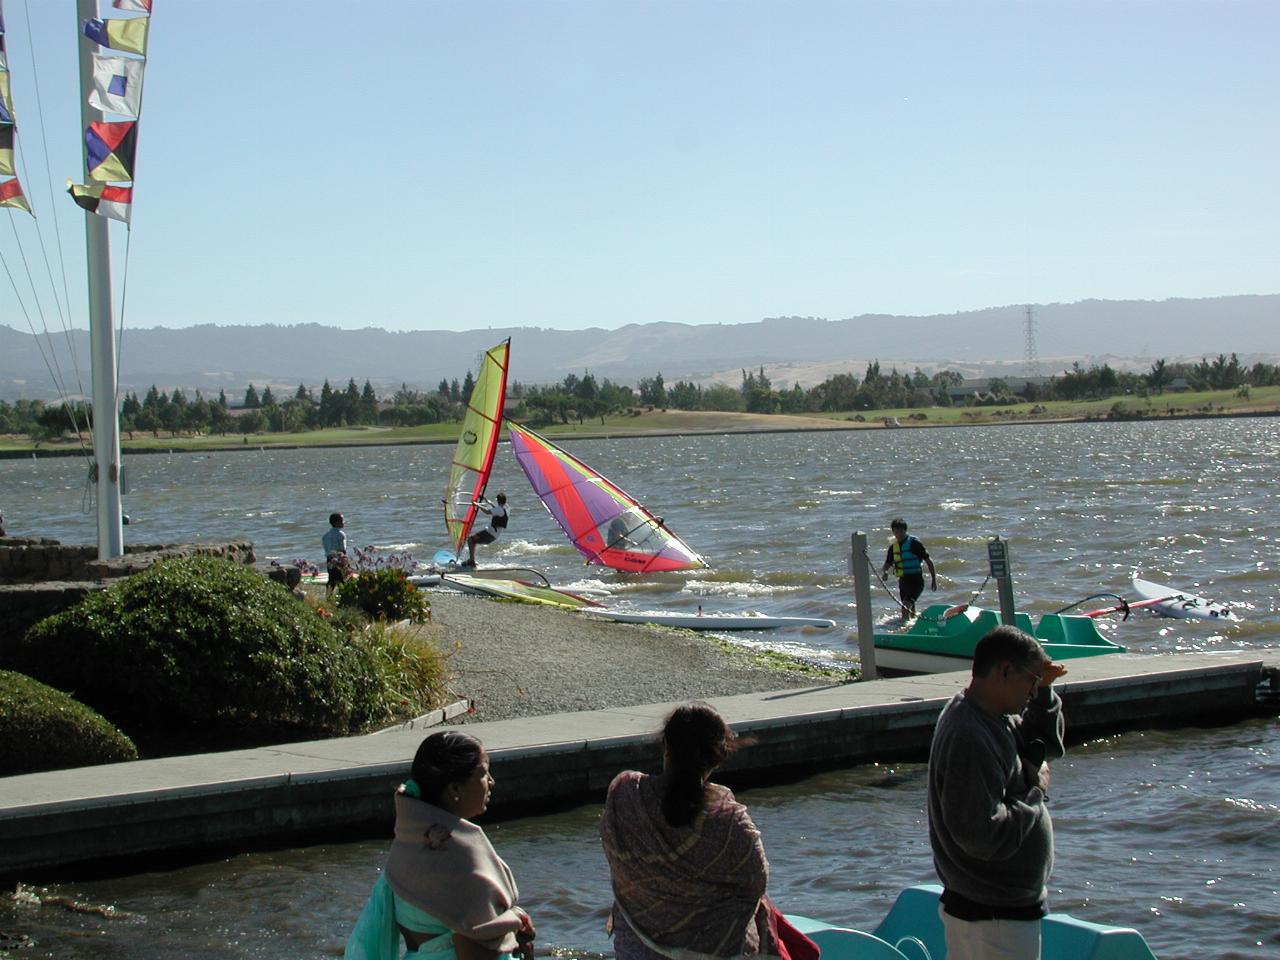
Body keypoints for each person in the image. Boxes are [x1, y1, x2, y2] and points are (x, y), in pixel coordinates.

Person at [927, 626, 1069, 960]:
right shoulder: (970, 735)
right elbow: (980, 835)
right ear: (1004, 671)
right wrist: (1035, 793)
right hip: (992, 919)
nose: (1033, 690)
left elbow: (1044, 747)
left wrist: (1046, 692)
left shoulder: (990, 714)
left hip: (990, 912)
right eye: (1031, 680)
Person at [601, 703, 784, 960]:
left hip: (636, 949)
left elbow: (614, 854)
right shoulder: (730, 821)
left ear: (666, 746)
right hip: (714, 951)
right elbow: (756, 883)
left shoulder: (625, 794)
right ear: (717, 757)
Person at [344, 731, 536, 960]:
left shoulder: (409, 844)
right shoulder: (459, 858)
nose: (491, 782)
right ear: (455, 789)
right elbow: (472, 949)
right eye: (483, 773)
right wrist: (512, 926)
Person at [881, 517, 937, 619]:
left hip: (916, 581)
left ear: (905, 530)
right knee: (910, 610)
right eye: (896, 532)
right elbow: (887, 563)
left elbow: (928, 561)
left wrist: (934, 579)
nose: (899, 534)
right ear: (893, 532)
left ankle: (904, 630)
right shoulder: (893, 547)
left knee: (905, 608)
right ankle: (911, 626)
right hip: (903, 582)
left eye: (901, 531)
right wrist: (884, 572)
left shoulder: (914, 543)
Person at [462, 493, 507, 567]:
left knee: (470, 540)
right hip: (493, 536)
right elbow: (495, 509)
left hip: (489, 534)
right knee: (473, 540)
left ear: (498, 501)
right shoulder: (504, 510)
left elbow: (487, 511)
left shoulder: (498, 510)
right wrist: (488, 502)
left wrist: (477, 504)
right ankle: (472, 560)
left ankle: (472, 561)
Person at [323, 512, 349, 594]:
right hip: (339, 559)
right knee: (342, 579)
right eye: (341, 521)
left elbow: (326, 549)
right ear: (336, 523)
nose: (343, 523)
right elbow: (343, 549)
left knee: (331, 579)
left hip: (329, 559)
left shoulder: (325, 535)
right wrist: (346, 563)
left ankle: (328, 597)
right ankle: (345, 597)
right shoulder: (341, 534)